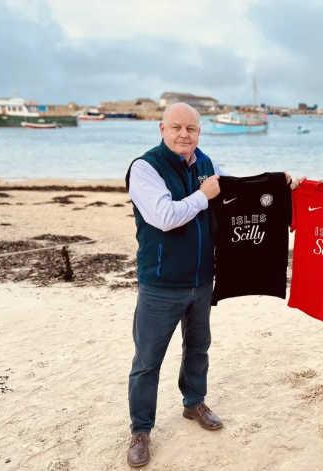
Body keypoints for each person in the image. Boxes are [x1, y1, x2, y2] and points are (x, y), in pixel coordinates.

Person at [124, 103, 222, 468]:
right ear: (162, 129)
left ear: (199, 132)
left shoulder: (206, 163)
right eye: (177, 127)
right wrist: (203, 196)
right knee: (147, 361)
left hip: (201, 280)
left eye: (191, 129)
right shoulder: (145, 167)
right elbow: (164, 217)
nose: (184, 134)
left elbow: (236, 189)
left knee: (198, 348)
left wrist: (281, 182)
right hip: (160, 283)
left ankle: (194, 403)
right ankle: (140, 430)